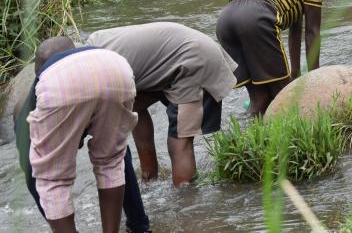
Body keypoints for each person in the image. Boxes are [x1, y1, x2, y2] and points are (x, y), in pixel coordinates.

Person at [217, 0, 346, 117]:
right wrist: (315, 81)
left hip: (227, 17)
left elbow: (296, 27)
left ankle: (247, 137)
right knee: (285, 98)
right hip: (256, 16)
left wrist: (295, 73)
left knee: (260, 100)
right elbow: (312, 31)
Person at [86, 22, 237, 187]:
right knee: (135, 107)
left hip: (193, 60)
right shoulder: (96, 45)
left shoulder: (98, 73)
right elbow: (134, 111)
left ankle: (186, 201)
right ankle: (150, 179)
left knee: (179, 140)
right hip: (179, 54)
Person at [16, 37, 138, 233]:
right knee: (111, 161)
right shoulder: (92, 53)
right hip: (116, 67)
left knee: (52, 180)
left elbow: (31, 172)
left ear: (38, 70)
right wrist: (140, 224)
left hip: (61, 86)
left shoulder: (38, 88)